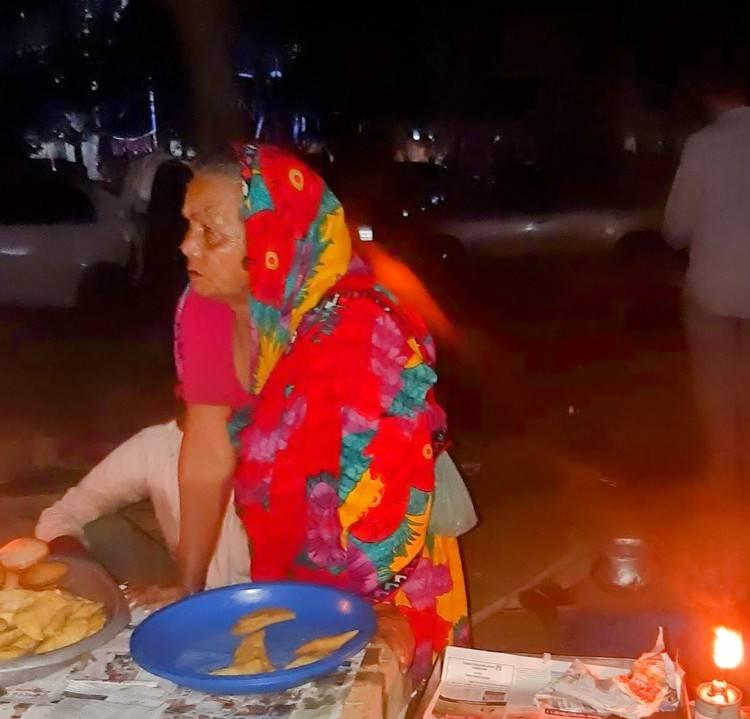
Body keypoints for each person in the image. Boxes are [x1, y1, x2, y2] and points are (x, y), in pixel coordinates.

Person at [177, 144, 470, 671]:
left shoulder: (361, 332)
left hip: (384, 576)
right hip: (291, 562)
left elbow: (384, 504)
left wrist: (355, 617)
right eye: (188, 226)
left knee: (387, 695)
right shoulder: (205, 309)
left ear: (274, 236)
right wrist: (187, 588)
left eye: (210, 233)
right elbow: (207, 453)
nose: (186, 246)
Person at [663, 66, 750, 485]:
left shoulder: (704, 144)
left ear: (712, 96)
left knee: (714, 381)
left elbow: (676, 226)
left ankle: (723, 469)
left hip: (713, 284)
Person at [34, 403, 250, 591]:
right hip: (188, 586)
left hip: (264, 595)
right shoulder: (158, 446)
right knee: (101, 531)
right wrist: (82, 568)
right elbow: (66, 512)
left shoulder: (266, 449)